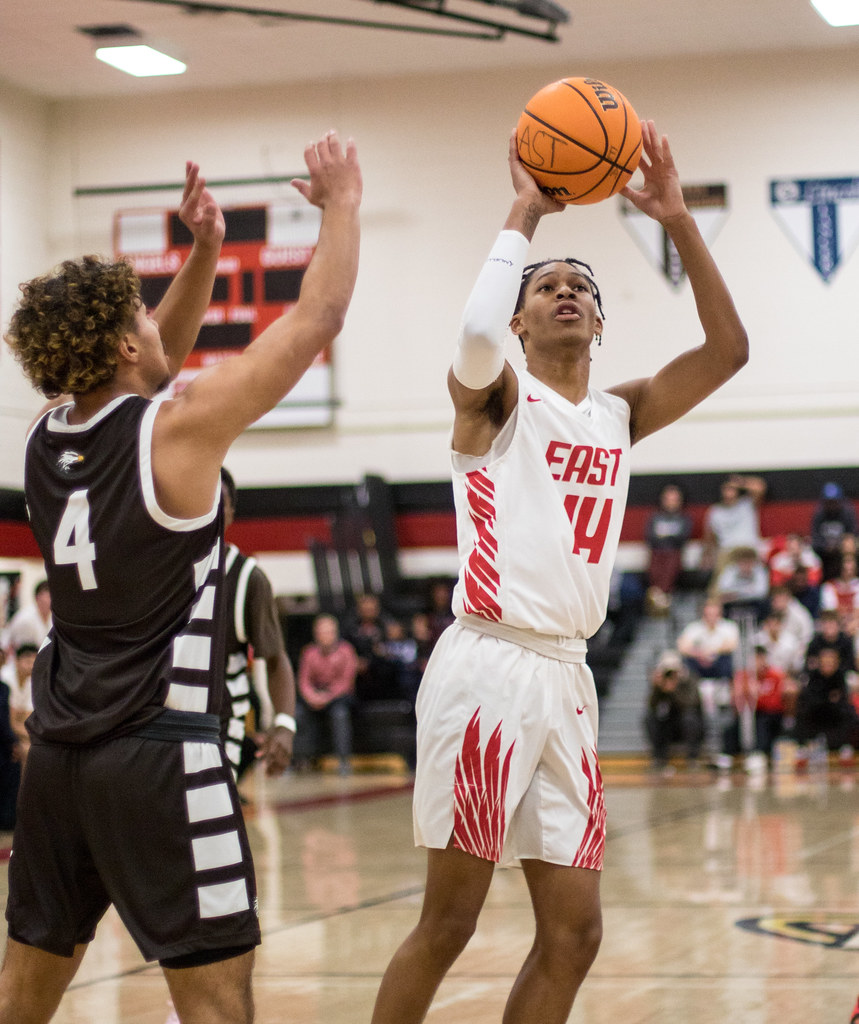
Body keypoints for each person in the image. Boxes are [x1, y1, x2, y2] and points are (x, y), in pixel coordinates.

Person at [370, 120, 747, 1024]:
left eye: (581, 285)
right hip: (487, 667)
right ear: (519, 320)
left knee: (576, 934)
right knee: (449, 921)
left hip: (567, 678)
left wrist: (677, 220)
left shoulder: (619, 415)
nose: (566, 292)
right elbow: (470, 328)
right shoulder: (497, 397)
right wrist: (524, 216)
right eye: (546, 287)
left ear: (601, 321)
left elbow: (729, 352)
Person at [0, 132, 361, 1023]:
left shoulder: (46, 439)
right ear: (125, 342)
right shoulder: (180, 431)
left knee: (23, 995)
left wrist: (204, 250)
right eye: (144, 318)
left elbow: (143, 373)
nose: (158, 326)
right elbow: (314, 320)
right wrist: (342, 206)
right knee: (215, 998)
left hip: (57, 759)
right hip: (159, 753)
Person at [219, 467, 295, 782]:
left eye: (218, 501)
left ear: (231, 512)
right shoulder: (156, 571)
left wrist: (285, 724)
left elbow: (275, 659)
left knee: (211, 826)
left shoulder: (247, 578)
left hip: (219, 726)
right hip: (159, 725)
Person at [295, 613, 358, 775]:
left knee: (340, 714)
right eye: (321, 632)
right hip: (315, 696)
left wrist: (327, 697)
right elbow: (303, 681)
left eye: (328, 632)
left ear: (335, 633)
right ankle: (300, 760)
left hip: (339, 697)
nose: (324, 636)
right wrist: (312, 697)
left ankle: (343, 761)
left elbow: (346, 682)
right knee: (298, 713)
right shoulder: (309, 652)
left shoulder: (346, 651)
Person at [642, 650, 703, 772]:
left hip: (688, 724)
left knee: (689, 718)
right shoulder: (661, 683)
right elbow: (651, 706)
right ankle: (659, 758)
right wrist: (657, 688)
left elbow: (692, 704)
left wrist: (674, 690)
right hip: (669, 724)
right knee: (650, 719)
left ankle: (692, 757)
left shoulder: (689, 679)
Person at [701, 474, 766, 580]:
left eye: (732, 489)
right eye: (726, 489)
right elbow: (709, 537)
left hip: (748, 547)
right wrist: (706, 556)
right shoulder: (715, 511)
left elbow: (760, 487)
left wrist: (740, 482)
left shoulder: (747, 504)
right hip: (727, 551)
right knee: (719, 583)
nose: (729, 492)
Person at [644, 483, 692, 614]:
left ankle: (659, 593)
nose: (671, 503)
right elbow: (651, 538)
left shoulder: (684, 518)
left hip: (673, 553)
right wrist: (670, 537)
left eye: (674, 500)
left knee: (672, 558)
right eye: (668, 499)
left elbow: (681, 539)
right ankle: (658, 593)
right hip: (657, 552)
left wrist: (664, 537)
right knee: (657, 558)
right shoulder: (655, 517)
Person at [811, 482, 857, 581]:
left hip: (842, 550)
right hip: (824, 554)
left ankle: (851, 582)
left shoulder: (847, 512)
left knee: (850, 549)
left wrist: (839, 545)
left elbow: (852, 534)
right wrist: (826, 546)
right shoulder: (819, 513)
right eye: (829, 502)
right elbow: (815, 537)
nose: (831, 505)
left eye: (834, 501)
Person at [1, 580, 51, 656]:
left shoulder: (52, 618)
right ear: (37, 598)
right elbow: (23, 653)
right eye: (49, 596)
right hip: (20, 660)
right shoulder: (26, 619)